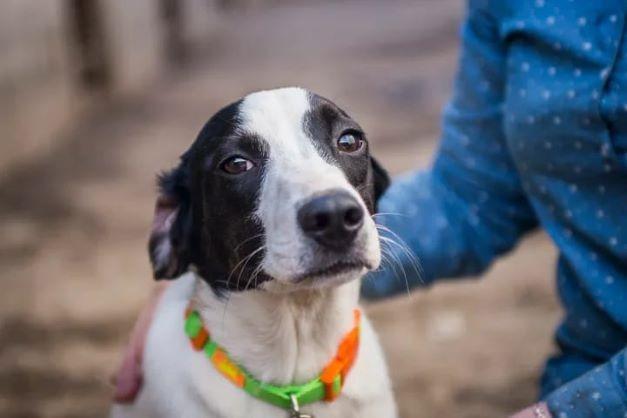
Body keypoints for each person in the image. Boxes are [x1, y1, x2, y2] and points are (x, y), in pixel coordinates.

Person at [114, 1, 627, 416]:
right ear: (176, 230)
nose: (335, 211)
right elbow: (471, 194)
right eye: (237, 165)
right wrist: (181, 281)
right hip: (578, 363)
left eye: (346, 141)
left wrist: (578, 409)